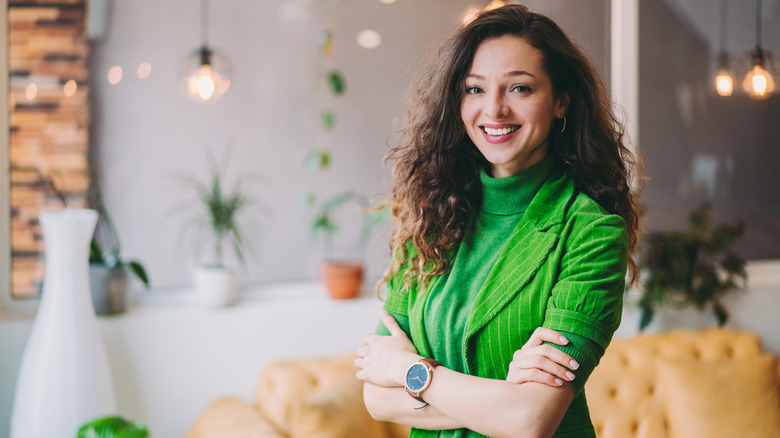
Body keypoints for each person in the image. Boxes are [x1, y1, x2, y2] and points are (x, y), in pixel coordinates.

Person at [355, 4, 641, 438]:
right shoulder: (431, 213)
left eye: (520, 89)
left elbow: (530, 422)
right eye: (474, 89)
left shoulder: (591, 230)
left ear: (561, 100)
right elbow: (376, 398)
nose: (494, 109)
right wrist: (503, 398)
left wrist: (410, 370)